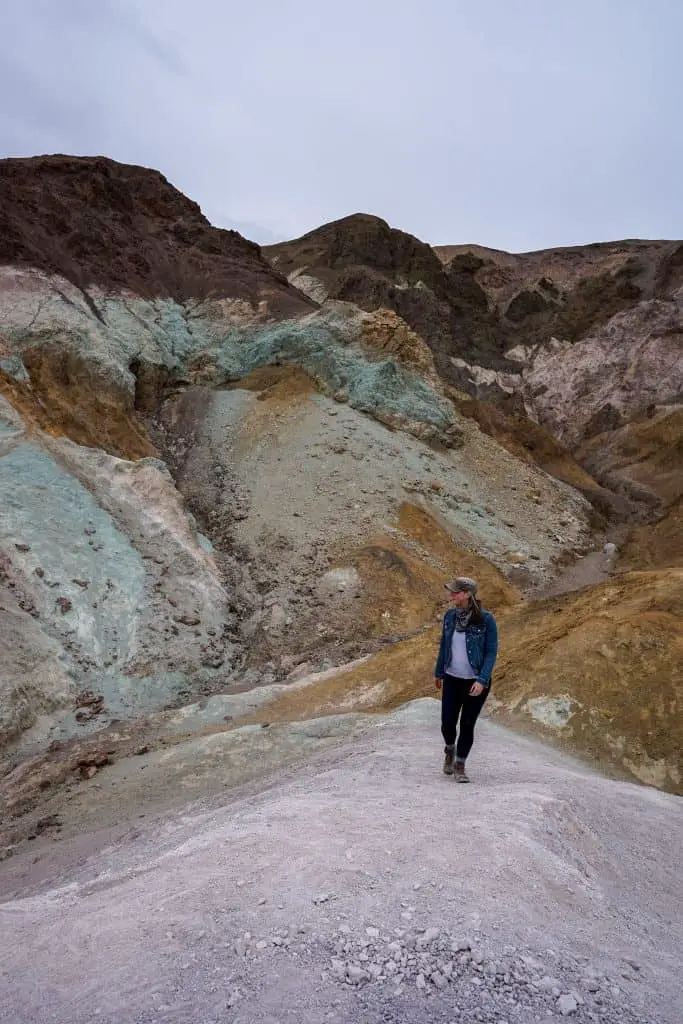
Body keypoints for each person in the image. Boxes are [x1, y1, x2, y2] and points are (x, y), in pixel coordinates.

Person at [433, 576, 498, 782]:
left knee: (467, 724)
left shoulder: (486, 620)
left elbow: (491, 652)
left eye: (456, 592)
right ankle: (449, 749)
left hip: (474, 683)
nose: (452, 595)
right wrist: (438, 672)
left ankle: (460, 764)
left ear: (468, 594)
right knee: (447, 723)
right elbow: (445, 645)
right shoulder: (450, 617)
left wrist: (482, 679)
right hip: (452, 678)